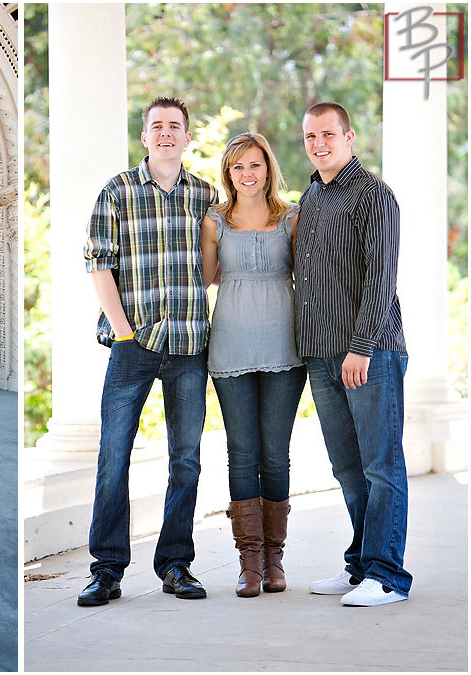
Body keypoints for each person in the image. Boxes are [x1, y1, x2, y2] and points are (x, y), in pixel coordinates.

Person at [79, 96, 218, 606]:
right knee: (113, 456)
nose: (165, 133)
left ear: (186, 138)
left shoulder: (205, 195)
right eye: (156, 125)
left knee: (186, 458)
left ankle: (176, 565)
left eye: (174, 126)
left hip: (188, 345)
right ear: (145, 137)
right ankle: (107, 569)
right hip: (132, 345)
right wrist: (123, 332)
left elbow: (214, 267)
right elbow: (98, 264)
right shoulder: (117, 192)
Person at [295, 102, 411, 606]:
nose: (318, 144)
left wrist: (360, 348)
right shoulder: (312, 195)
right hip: (321, 356)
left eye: (328, 134)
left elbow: (380, 280)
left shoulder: (375, 195)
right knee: (347, 467)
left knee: (381, 465)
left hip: (369, 353)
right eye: (310, 136)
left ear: (350, 137)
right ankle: (361, 563)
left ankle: (387, 576)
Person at [200, 133, 307, 597]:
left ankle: (274, 559)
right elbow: (205, 278)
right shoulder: (214, 221)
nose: (248, 174)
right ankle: (249, 563)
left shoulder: (291, 218)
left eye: (256, 165)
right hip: (231, 346)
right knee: (241, 453)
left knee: (275, 453)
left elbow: (310, 276)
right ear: (229, 173)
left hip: (286, 346)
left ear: (268, 169)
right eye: (239, 167)